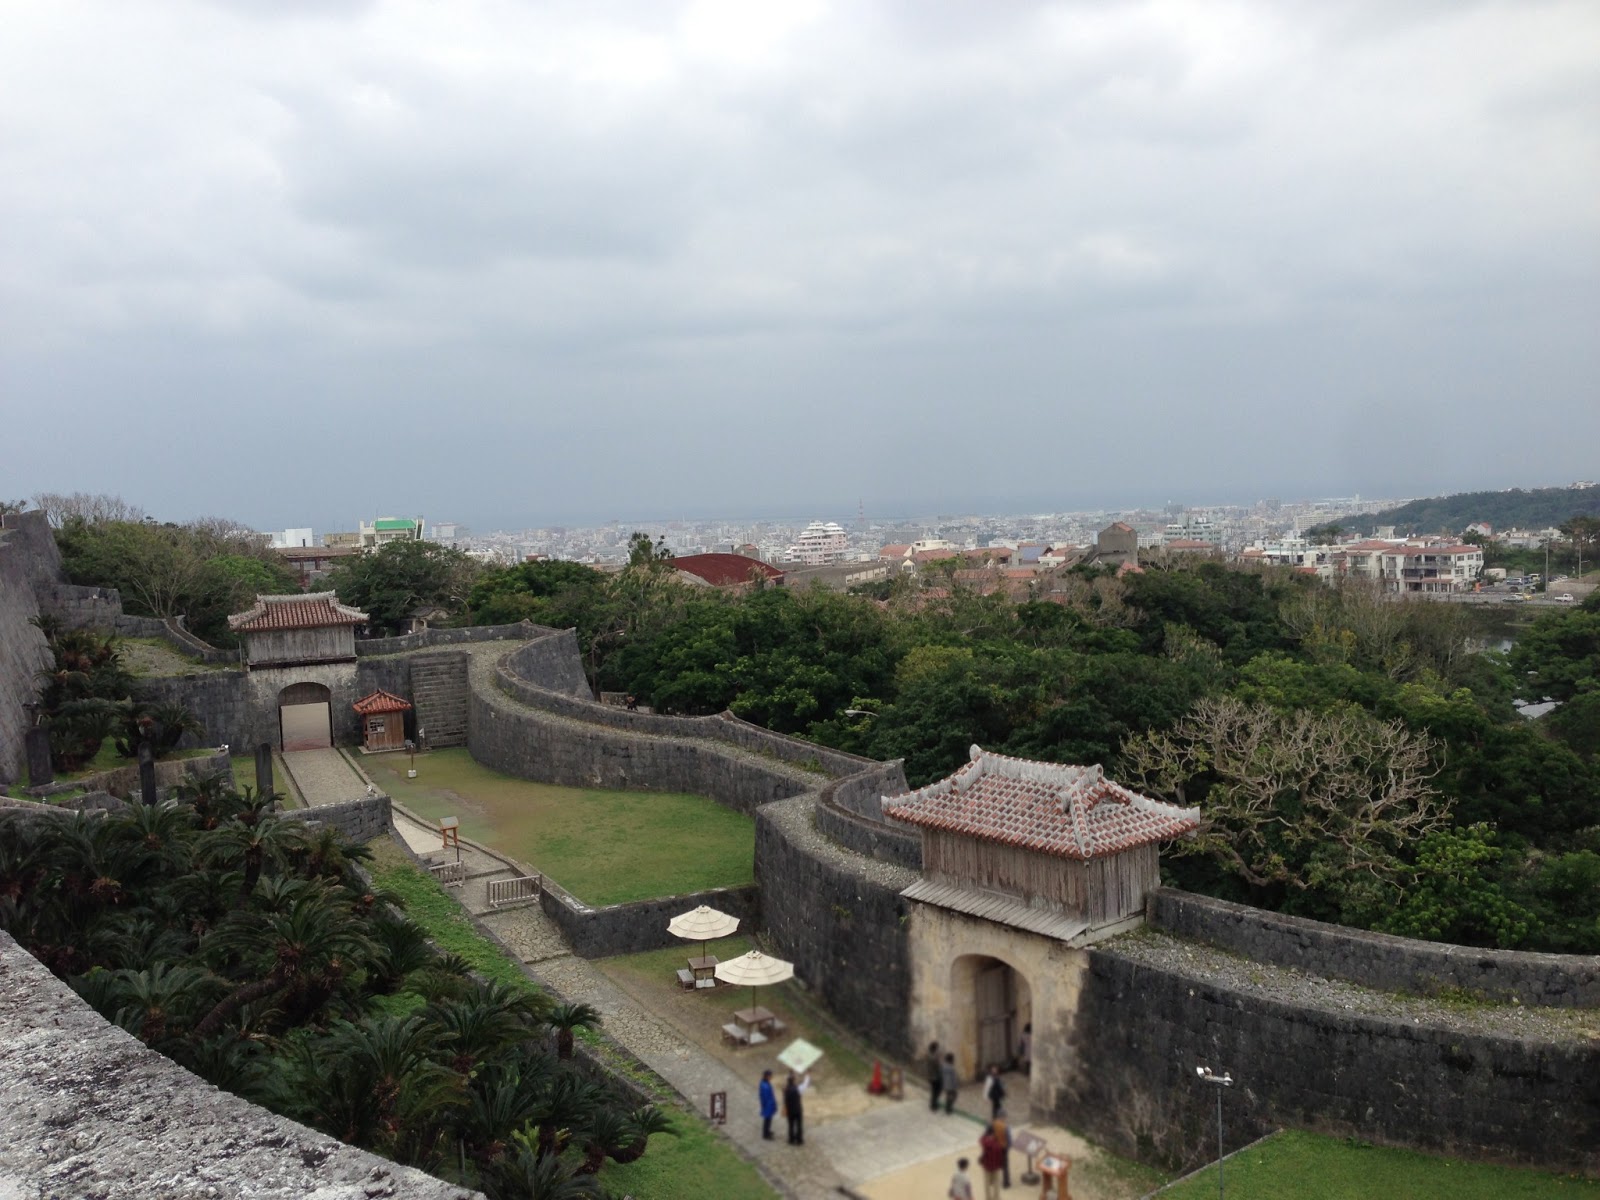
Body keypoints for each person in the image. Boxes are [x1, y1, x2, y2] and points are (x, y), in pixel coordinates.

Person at [978, 1125, 1006, 1200]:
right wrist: (1001, 1165)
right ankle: (996, 1197)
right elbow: (1000, 1156)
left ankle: (988, 1198)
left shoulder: (984, 1142)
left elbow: (981, 1139)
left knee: (986, 1183)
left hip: (987, 1165)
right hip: (996, 1166)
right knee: (996, 1182)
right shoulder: (997, 1144)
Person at [783, 1070, 809, 1145]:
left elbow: (785, 1100)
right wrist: (807, 1076)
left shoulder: (785, 1089)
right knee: (799, 1125)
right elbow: (805, 1084)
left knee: (791, 1125)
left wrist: (791, 1073)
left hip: (790, 1110)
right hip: (797, 1110)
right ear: (794, 1080)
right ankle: (799, 1140)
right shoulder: (798, 1089)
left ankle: (791, 1139)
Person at [991, 1107, 1013, 1190]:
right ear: (1003, 1116)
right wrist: (1009, 1147)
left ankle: (993, 1180)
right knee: (1005, 1166)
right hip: (1003, 1148)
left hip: (995, 1146)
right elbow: (1009, 1139)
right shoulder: (1006, 1127)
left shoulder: (994, 1124)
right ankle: (1006, 1183)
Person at [758, 1069, 777, 1141]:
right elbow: (766, 1098)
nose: (771, 1077)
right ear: (767, 1076)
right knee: (767, 1120)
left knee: (768, 1120)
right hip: (768, 1106)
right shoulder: (765, 1086)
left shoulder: (765, 1083)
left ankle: (767, 1131)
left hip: (768, 1105)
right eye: (770, 1076)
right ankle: (766, 1134)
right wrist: (771, 1105)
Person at [926, 1041, 944, 1112]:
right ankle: (934, 1105)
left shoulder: (929, 1055)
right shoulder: (934, 1058)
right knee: (937, 1091)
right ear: (935, 1049)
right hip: (936, 1077)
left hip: (931, 1076)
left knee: (934, 1091)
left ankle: (933, 1104)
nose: (938, 1049)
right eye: (937, 1048)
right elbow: (938, 1067)